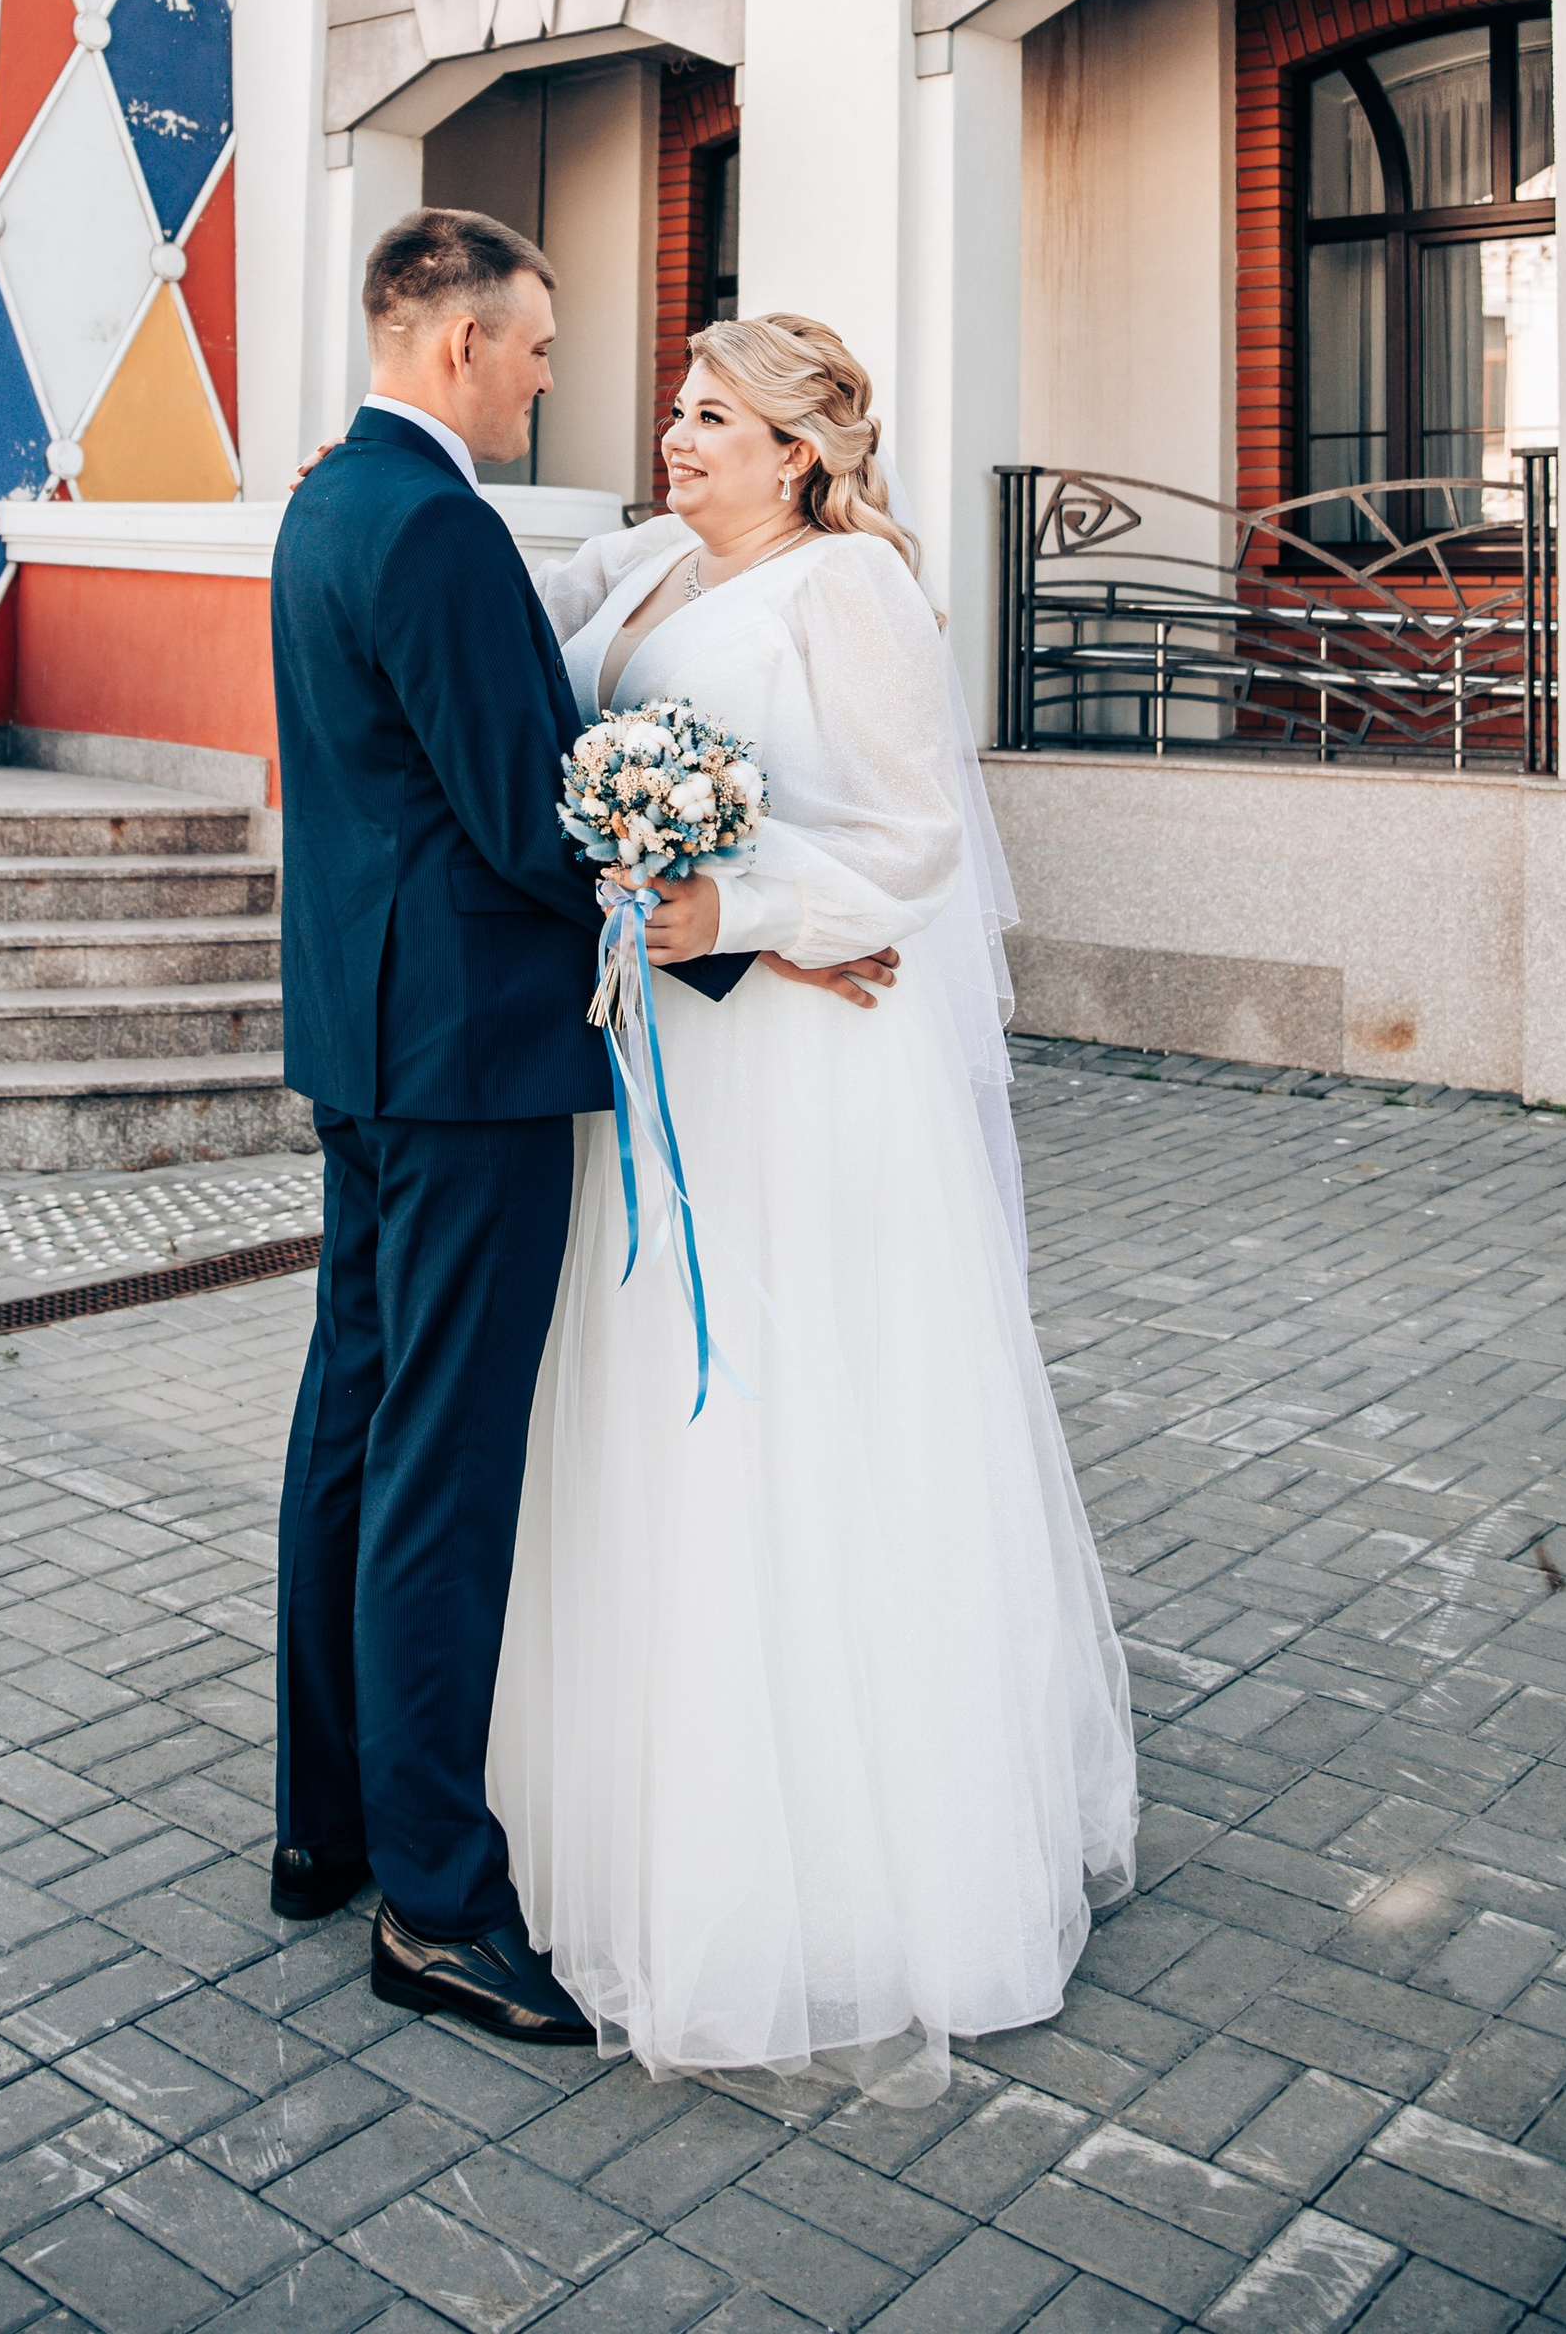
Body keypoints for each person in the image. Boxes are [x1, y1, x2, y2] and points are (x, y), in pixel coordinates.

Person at [488, 313, 1139, 2099]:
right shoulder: (646, 568)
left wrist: (737, 910)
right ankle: (647, 1814)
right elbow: (505, 592)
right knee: (656, 1422)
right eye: (676, 409)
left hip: (794, 1071)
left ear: (802, 452)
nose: (675, 436)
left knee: (801, 1413)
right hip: (665, 1067)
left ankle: (848, 1873)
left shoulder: (846, 590)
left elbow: (918, 839)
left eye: (715, 418)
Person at [268, 213, 894, 2046]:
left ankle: (329, 1831)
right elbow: (520, 820)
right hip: (466, 1059)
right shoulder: (440, 529)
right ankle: (440, 1911)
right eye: (538, 347)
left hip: (368, 1038)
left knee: (353, 1424)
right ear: (462, 342)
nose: (559, 379)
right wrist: (739, 955)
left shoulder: (332, 501)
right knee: (441, 1476)